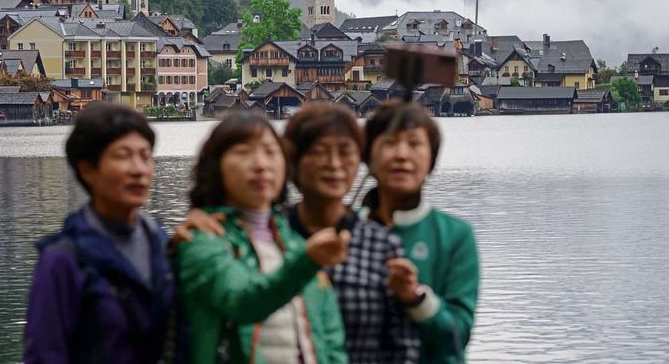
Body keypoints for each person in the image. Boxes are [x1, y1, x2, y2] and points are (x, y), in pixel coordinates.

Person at [176, 112, 350, 364]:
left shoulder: (294, 244)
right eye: (243, 152)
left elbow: (332, 342)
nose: (261, 164)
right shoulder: (202, 242)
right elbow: (242, 301)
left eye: (270, 151)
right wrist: (307, 262)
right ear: (215, 166)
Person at [24, 103, 173, 364]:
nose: (138, 169)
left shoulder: (162, 244)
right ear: (87, 170)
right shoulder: (62, 262)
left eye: (145, 156)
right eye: (123, 156)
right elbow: (45, 355)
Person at [283, 102, 420, 364]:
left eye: (345, 152)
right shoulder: (271, 235)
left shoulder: (382, 244)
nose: (334, 164)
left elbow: (404, 348)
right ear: (293, 162)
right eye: (319, 152)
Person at [362, 101, 480, 364]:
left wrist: (417, 299)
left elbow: (458, 336)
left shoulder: (455, 236)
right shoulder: (344, 235)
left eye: (415, 144)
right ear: (368, 157)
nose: (402, 155)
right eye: (390, 143)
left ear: (431, 160)